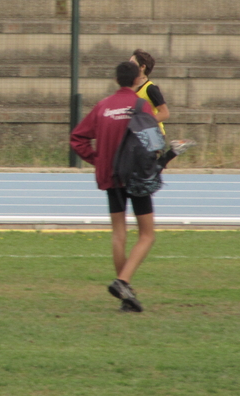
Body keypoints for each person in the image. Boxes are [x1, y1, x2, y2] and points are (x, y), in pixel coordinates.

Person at [70, 61, 158, 313]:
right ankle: (123, 282)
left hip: (111, 178)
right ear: (136, 80)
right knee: (147, 235)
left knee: (119, 234)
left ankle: (126, 298)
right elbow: (152, 143)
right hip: (137, 177)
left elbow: (77, 138)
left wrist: (97, 159)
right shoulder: (142, 105)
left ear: (116, 79)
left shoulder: (102, 106)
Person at [130, 49, 196, 165]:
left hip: (152, 133)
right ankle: (174, 151)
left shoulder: (151, 89)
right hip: (137, 135)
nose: (128, 66)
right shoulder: (130, 88)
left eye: (132, 63)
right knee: (144, 170)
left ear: (142, 67)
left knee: (147, 171)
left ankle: (173, 152)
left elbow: (164, 113)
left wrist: (143, 123)